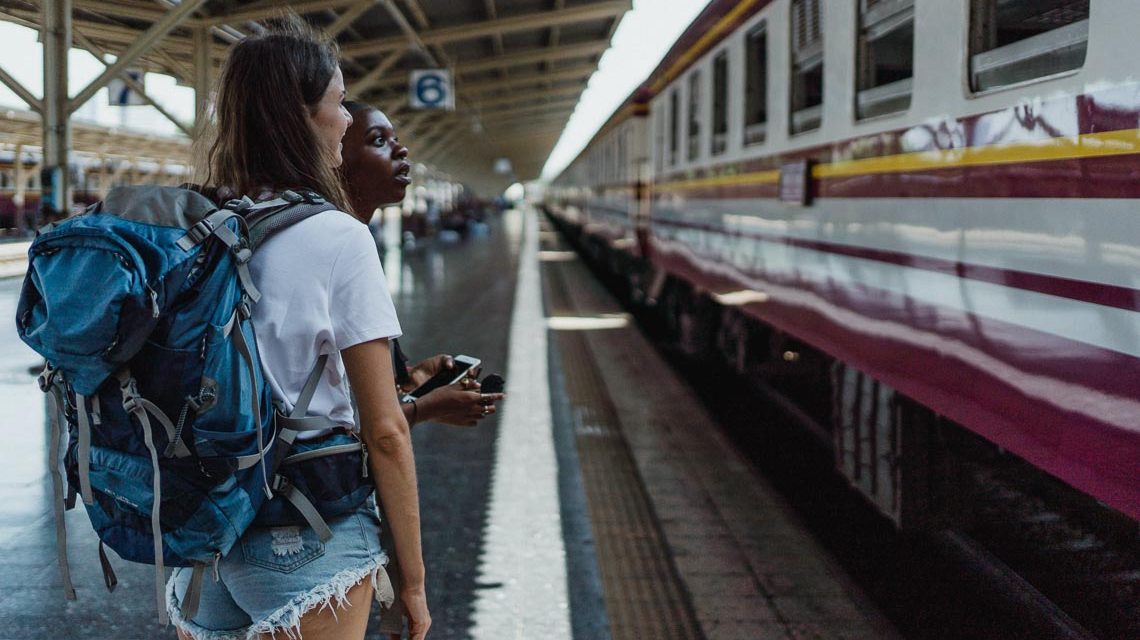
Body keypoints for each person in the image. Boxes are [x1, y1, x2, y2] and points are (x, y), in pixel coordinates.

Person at [166, 19, 430, 640]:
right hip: (306, 534)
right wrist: (413, 580)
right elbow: (385, 430)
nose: (345, 121)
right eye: (338, 103)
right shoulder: (339, 236)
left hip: (202, 539)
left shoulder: (198, 225)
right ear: (301, 116)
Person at [339, 100, 504, 429]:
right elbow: (367, 427)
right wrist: (424, 409)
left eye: (396, 138)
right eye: (378, 141)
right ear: (333, 156)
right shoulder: (342, 242)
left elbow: (349, 386)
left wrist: (411, 381)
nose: (401, 149)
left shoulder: (346, 236)